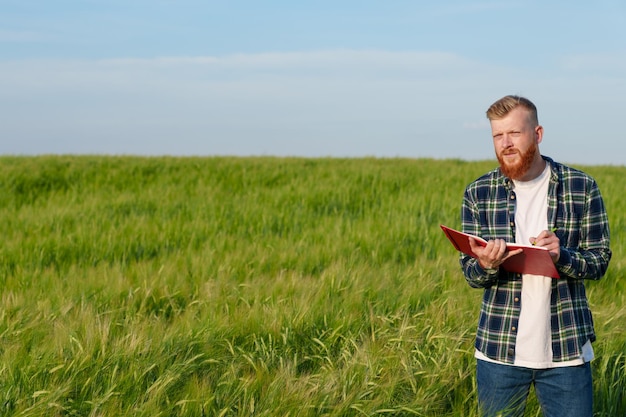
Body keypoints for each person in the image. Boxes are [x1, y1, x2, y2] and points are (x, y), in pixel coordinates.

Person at [459, 95, 611, 417]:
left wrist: (563, 256)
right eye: (498, 136)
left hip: (566, 353)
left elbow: (600, 261)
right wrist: (485, 264)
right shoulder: (478, 193)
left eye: (514, 133)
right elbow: (471, 274)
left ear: (538, 134)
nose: (506, 143)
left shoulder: (581, 187)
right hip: (499, 352)